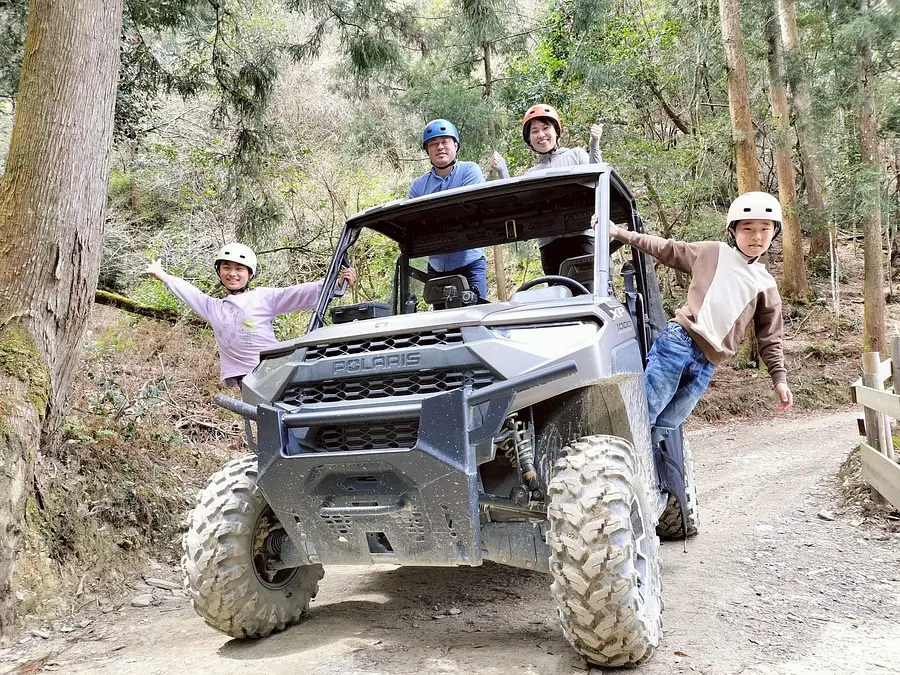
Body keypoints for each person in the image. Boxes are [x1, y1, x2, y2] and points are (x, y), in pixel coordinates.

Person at [598, 191, 793, 448]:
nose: (756, 236)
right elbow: (666, 248)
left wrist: (780, 380)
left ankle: (643, 467)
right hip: (679, 342)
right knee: (645, 411)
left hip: (708, 362)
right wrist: (619, 233)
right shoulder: (713, 252)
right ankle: (611, 459)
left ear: (774, 232)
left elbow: (770, 338)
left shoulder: (766, 285)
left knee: (665, 426)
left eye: (764, 229)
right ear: (733, 230)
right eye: (748, 228)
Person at [145, 243, 357, 388]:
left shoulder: (263, 297)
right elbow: (190, 293)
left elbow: (299, 293)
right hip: (244, 378)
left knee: (282, 417)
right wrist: (162, 275)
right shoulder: (212, 307)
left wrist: (337, 284)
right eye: (226, 268)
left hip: (271, 369)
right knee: (261, 421)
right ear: (219, 272)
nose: (232, 273)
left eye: (239, 269)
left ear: (250, 274)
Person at [491, 104, 604, 277]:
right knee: (558, 290)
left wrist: (594, 144)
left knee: (589, 289)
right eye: (534, 131)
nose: (541, 134)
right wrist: (502, 170)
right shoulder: (532, 174)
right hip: (549, 245)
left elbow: (596, 181)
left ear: (556, 131)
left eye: (545, 128)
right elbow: (515, 203)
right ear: (529, 140)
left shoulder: (576, 155)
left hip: (582, 236)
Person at [409, 119, 488, 299]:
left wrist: (433, 219)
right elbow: (414, 226)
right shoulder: (418, 186)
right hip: (436, 267)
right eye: (433, 144)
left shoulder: (470, 171)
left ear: (456, 145)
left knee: (477, 311)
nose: (440, 147)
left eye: (445, 141)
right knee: (441, 317)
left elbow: (469, 212)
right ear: (427, 151)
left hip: (470, 262)